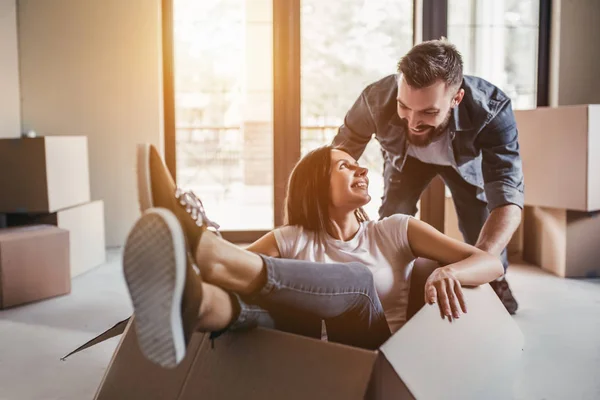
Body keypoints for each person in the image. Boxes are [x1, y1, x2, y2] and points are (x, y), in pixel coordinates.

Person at [123, 143, 503, 368]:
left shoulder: (395, 229)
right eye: (345, 164)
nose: (361, 168)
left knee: (358, 281)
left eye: (357, 163)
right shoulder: (290, 238)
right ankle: (199, 306)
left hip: (374, 361)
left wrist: (450, 272)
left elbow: (489, 263)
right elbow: (212, 280)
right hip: (301, 360)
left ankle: (209, 247)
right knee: (260, 303)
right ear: (317, 186)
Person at [332, 39, 523, 314]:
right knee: (392, 216)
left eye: (428, 112)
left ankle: (498, 281)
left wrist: (480, 266)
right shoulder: (375, 99)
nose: (412, 122)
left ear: (457, 98)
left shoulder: (492, 108)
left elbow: (508, 196)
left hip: (462, 165)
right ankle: (390, 286)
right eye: (404, 107)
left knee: (478, 226)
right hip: (406, 160)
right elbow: (338, 156)